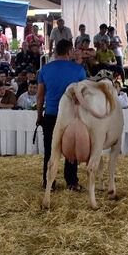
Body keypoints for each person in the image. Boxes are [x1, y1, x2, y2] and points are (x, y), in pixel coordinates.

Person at [36, 38, 87, 191]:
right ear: (69, 51)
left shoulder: (44, 69)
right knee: (71, 150)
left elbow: (39, 96)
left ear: (56, 51)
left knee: (50, 150)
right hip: (70, 115)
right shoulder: (78, 70)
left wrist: (39, 116)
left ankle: (48, 183)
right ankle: (71, 182)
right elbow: (83, 96)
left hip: (51, 114)